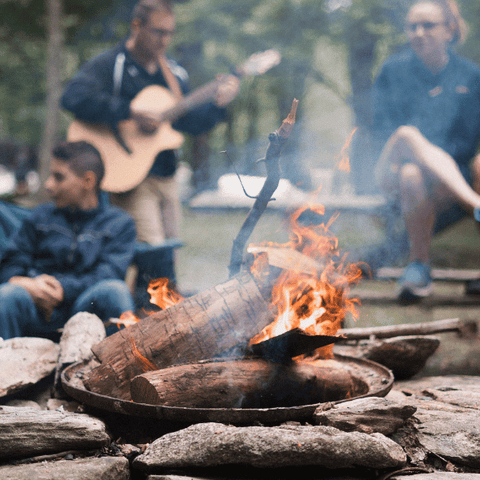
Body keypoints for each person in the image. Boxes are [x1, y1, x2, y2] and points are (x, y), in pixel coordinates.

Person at [61, 0, 240, 246]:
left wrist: (219, 106)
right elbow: (72, 98)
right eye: (158, 31)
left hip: (167, 176)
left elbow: (189, 124)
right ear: (136, 25)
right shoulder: (111, 64)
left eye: (169, 33)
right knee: (151, 249)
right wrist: (129, 112)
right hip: (130, 176)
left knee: (170, 251)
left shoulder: (175, 74)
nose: (164, 40)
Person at [372, 0, 480, 303]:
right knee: (408, 143)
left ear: (450, 30)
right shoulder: (392, 71)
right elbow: (383, 132)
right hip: (391, 170)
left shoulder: (471, 77)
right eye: (412, 26)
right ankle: (475, 205)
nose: (419, 33)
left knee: (478, 164)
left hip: (445, 180)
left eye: (428, 25)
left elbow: (468, 141)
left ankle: (419, 273)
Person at [0, 141, 136, 340]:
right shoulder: (39, 217)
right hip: (36, 309)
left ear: (88, 181)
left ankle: (122, 368)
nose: (48, 185)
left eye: (59, 177)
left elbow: (109, 273)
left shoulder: (119, 224)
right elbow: (11, 263)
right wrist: (25, 283)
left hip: (85, 310)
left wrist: (61, 288)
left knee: (115, 291)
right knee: (7, 294)